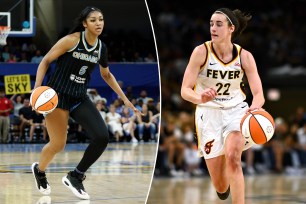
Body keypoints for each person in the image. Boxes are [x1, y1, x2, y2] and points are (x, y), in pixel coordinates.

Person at [31, 6, 140, 200]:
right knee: (58, 144)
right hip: (57, 97)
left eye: (101, 19)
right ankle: (39, 170)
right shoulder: (71, 40)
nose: (98, 23)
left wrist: (124, 99)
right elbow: (45, 61)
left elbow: (106, 74)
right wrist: (37, 89)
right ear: (84, 23)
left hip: (79, 97)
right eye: (93, 20)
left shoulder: (101, 48)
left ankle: (76, 176)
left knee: (102, 137)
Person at [180, 8, 265, 203]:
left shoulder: (245, 57)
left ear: (231, 28)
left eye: (219, 24)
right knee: (220, 186)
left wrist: (255, 107)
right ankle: (224, 185)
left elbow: (259, 94)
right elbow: (185, 90)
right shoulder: (201, 52)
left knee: (234, 157)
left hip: (236, 110)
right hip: (208, 113)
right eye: (211, 24)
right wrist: (200, 97)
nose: (213, 28)